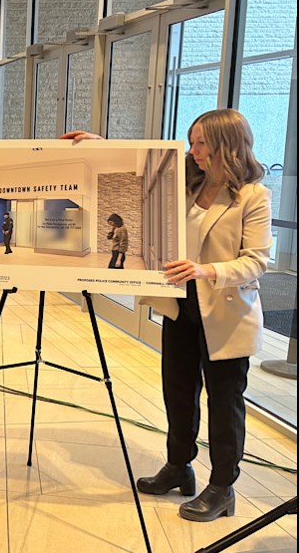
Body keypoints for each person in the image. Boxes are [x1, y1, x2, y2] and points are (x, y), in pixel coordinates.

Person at [62, 108, 271, 522]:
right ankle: (179, 467)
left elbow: (257, 262)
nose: (192, 151)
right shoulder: (185, 184)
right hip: (180, 306)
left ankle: (222, 487)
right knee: (177, 392)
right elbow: (147, 166)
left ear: (226, 145)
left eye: (200, 144)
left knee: (224, 402)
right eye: (191, 142)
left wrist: (206, 270)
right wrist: (102, 145)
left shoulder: (252, 195)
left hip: (225, 310)